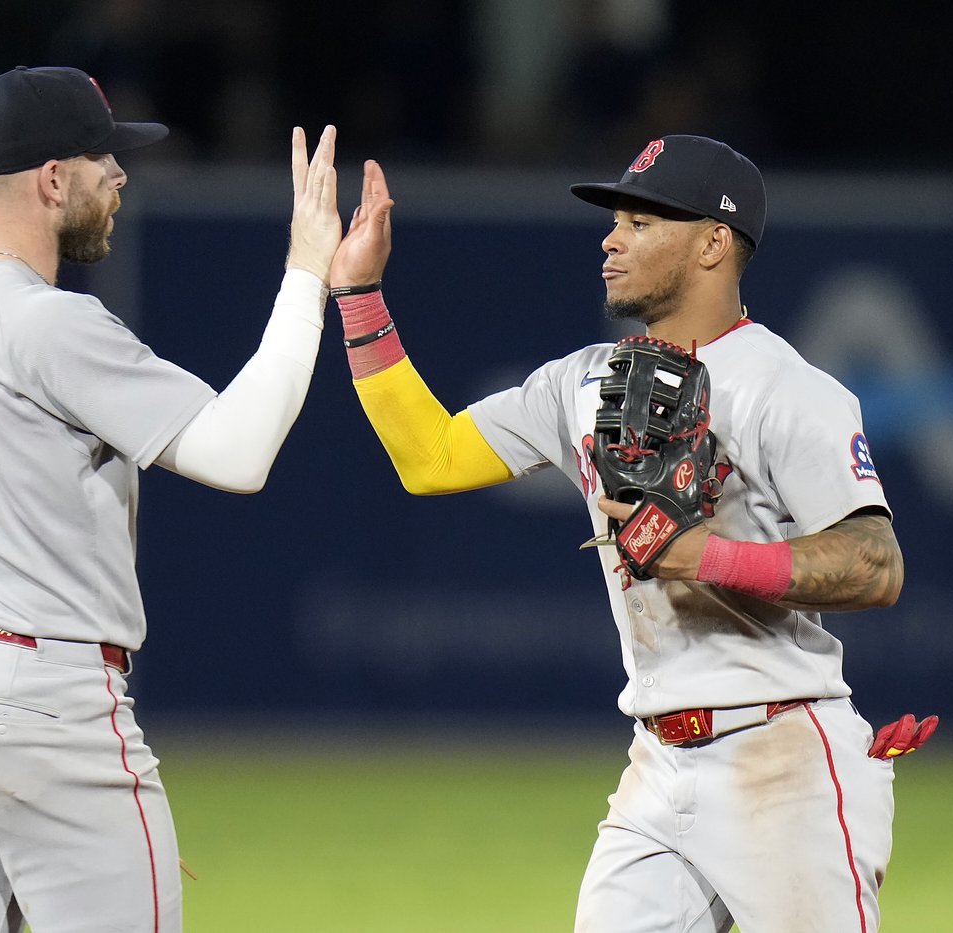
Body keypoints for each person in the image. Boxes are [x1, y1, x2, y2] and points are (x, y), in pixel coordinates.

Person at [328, 136, 917, 931]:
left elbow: (875, 564)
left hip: (783, 760)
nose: (611, 239)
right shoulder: (584, 379)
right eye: (616, 221)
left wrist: (705, 555)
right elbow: (430, 458)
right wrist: (360, 294)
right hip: (657, 761)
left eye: (641, 222)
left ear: (714, 243)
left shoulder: (786, 388)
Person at [0, 65, 340, 933]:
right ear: (52, 178)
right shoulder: (44, 320)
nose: (119, 174)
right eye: (102, 157)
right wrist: (307, 273)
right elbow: (238, 453)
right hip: (35, 698)